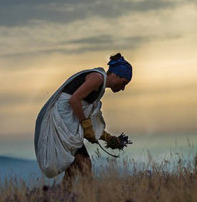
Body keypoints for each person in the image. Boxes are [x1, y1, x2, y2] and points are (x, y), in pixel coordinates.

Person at [34, 53, 132, 186]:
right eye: (124, 82)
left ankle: (62, 197)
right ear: (116, 75)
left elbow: (87, 115)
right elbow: (74, 100)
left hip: (68, 124)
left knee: (73, 167)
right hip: (62, 122)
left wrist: (108, 138)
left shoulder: (100, 86)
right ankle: (90, 197)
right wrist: (86, 126)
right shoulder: (97, 78)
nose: (123, 88)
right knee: (85, 164)